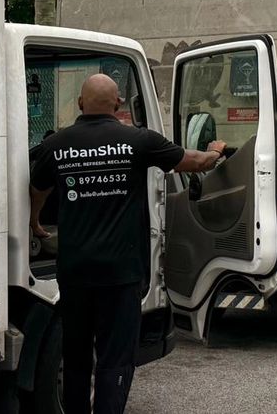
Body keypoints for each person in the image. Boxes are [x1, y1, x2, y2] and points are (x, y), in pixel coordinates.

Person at [29, 74, 226, 414]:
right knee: (115, 359)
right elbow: (193, 162)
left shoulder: (55, 145)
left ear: (79, 103)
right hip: (120, 276)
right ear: (118, 105)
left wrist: (35, 222)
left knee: (75, 357)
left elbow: (39, 187)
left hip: (74, 275)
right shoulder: (137, 140)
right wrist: (214, 152)